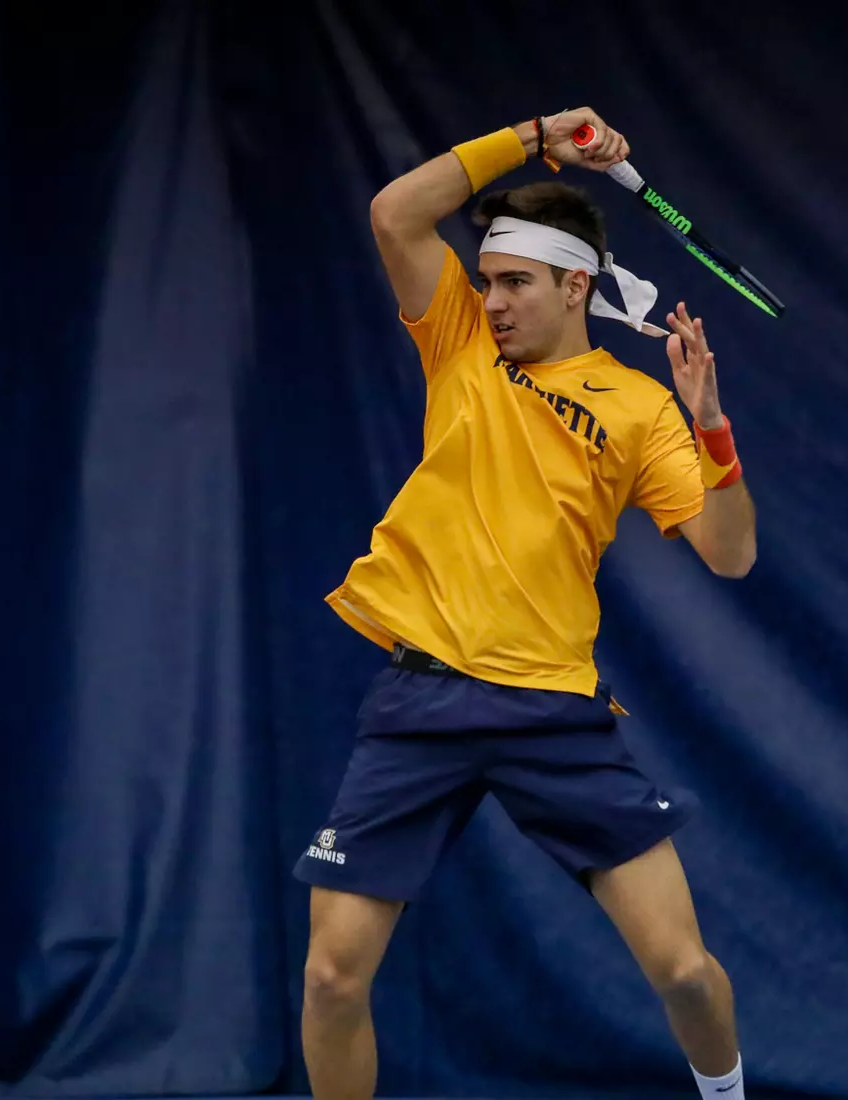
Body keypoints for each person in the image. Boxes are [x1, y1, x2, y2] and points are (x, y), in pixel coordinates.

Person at [294, 105, 759, 1100]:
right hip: (420, 704)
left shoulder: (636, 408)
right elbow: (393, 213)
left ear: (575, 285)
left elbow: (730, 552)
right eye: (489, 280)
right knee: (333, 973)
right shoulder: (458, 338)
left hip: (553, 713)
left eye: (515, 283)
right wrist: (538, 136)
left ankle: (727, 1094)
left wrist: (713, 430)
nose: (493, 300)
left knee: (682, 968)